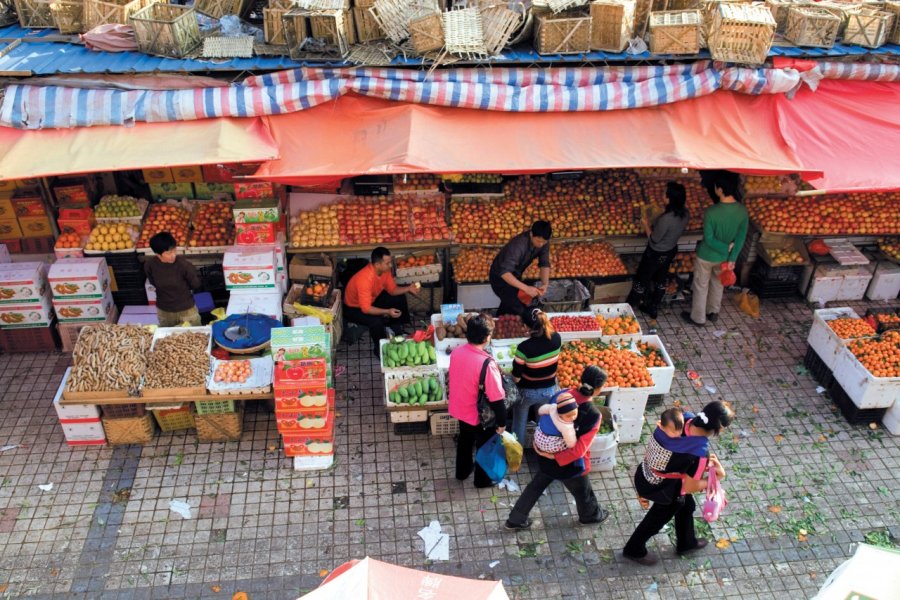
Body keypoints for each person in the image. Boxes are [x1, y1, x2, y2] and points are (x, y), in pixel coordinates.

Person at [623, 401, 734, 566]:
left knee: (687, 506)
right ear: (721, 429)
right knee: (656, 521)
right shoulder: (699, 453)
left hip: (645, 472)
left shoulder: (682, 419)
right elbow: (690, 487)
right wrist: (718, 477)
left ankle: (686, 542)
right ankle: (633, 549)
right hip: (663, 489)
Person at [504, 366, 610, 530]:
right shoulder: (593, 415)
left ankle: (515, 519)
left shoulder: (561, 395)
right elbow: (579, 450)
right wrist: (556, 457)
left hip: (544, 454)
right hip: (571, 464)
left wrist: (541, 447)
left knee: (536, 486)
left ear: (581, 379)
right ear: (599, 389)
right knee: (584, 493)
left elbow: (545, 420)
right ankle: (590, 517)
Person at [448, 314, 507, 489]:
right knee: (484, 447)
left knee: (465, 441)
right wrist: (502, 422)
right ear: (487, 337)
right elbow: (497, 399)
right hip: (479, 415)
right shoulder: (486, 364)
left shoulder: (457, 352)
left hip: (460, 408)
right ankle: (481, 481)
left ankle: (462, 472)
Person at [683, 172, 749, 327]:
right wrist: (732, 257)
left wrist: (725, 247)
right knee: (717, 284)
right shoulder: (742, 211)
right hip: (724, 258)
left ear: (720, 189)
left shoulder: (711, 212)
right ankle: (713, 312)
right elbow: (740, 238)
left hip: (706, 255)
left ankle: (698, 318)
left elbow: (709, 238)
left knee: (701, 286)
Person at [628, 182, 690, 330]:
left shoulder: (666, 219)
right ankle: (653, 307)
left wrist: (646, 225)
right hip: (669, 252)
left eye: (664, 194)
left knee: (642, 278)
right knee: (661, 278)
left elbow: (654, 239)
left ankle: (630, 307)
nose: (662, 196)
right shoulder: (685, 213)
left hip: (656, 253)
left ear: (669, 199)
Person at [343, 247, 420, 356]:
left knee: (399, 297)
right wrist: (387, 311)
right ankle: (380, 349)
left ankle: (397, 331)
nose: (391, 265)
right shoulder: (364, 279)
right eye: (388, 263)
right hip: (353, 308)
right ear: (377, 264)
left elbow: (392, 290)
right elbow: (366, 308)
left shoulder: (385, 271)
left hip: (371, 299)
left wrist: (408, 288)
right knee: (376, 321)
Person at [510, 308, 562, 445]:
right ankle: (542, 449)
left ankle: (516, 455)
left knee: (519, 423)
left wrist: (506, 373)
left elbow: (516, 378)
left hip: (527, 393)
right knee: (543, 423)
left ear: (528, 328)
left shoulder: (524, 348)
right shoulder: (557, 338)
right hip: (549, 390)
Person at [490, 221, 552, 316]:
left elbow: (544, 263)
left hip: (515, 274)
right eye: (538, 241)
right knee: (517, 307)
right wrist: (526, 288)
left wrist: (545, 284)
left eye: (544, 242)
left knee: (510, 305)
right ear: (531, 234)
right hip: (499, 277)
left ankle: (500, 319)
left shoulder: (544, 242)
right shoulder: (518, 245)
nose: (541, 245)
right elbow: (504, 273)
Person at [144, 231, 202, 327]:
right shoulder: (150, 265)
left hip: (186, 310)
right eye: (168, 253)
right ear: (158, 254)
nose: (173, 255)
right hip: (165, 311)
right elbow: (153, 282)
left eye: (174, 251)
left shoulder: (184, 265)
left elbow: (195, 284)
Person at [534, 392, 582, 471]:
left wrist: (541, 413)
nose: (572, 418)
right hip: (549, 445)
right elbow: (571, 443)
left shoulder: (553, 408)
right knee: (568, 440)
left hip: (538, 437)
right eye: (568, 416)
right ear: (560, 415)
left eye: (574, 414)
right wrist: (573, 444)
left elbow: (541, 409)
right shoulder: (566, 427)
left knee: (541, 423)